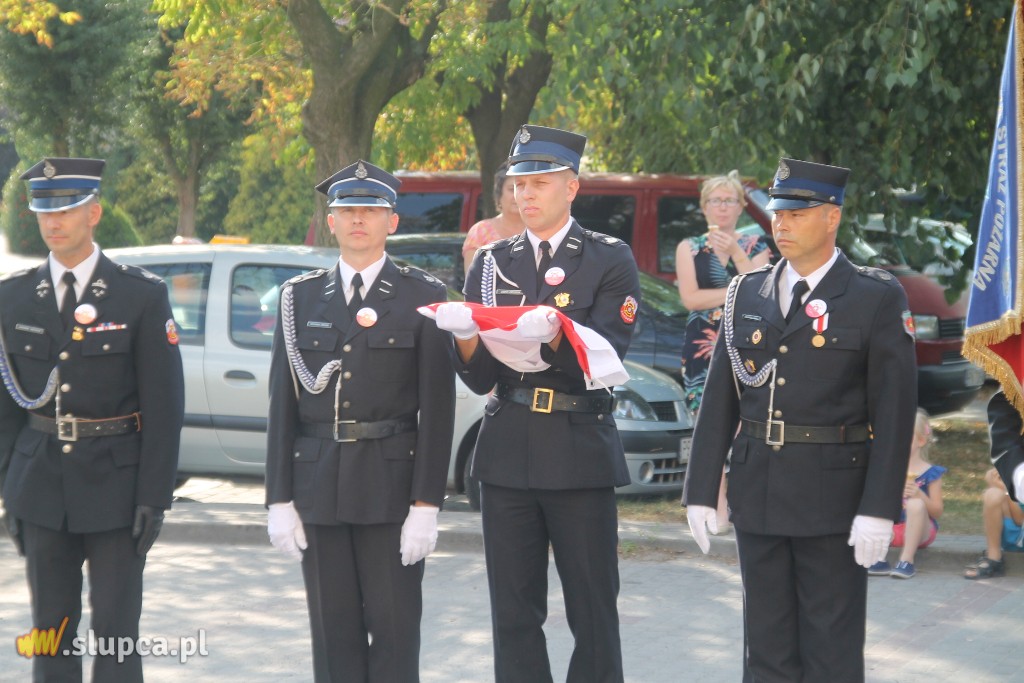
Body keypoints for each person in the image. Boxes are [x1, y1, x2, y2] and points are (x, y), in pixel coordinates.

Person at [682, 157, 917, 683]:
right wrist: (700, 489)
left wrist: (879, 507)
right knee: (765, 652)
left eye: (796, 214)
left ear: (832, 217)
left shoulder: (875, 296)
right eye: (777, 213)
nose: (781, 224)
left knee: (830, 653)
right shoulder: (747, 291)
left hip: (833, 499)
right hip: (760, 491)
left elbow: (895, 412)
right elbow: (721, 400)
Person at [433, 124, 641, 683]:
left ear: (571, 187)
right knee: (513, 613)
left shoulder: (608, 258)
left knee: (592, 610)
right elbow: (480, 378)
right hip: (508, 448)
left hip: (578, 448)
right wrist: (465, 338)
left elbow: (606, 357)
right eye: (519, 183)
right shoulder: (491, 261)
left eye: (539, 183)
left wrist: (551, 338)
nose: (525, 193)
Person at [264, 159, 455, 683]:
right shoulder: (299, 296)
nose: (357, 219)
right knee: (333, 639)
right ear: (330, 221)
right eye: (347, 210)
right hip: (319, 486)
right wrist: (279, 498)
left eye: (370, 210)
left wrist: (426, 505)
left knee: (395, 635)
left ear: (392, 222)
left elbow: (438, 409)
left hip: (391, 488)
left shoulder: (423, 295)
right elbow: (282, 403)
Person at [0, 157, 185, 682]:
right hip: (40, 486)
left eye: (66, 210)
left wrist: (154, 496)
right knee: (49, 632)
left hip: (117, 488)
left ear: (94, 213)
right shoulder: (13, 297)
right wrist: (9, 487)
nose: (53, 221)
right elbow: (6, 408)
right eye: (45, 211)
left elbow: (165, 406)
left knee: (117, 633)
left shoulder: (139, 294)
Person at [675, 170, 772, 531]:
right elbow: (690, 299)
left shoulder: (757, 245)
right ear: (704, 207)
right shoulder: (689, 247)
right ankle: (714, 506)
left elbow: (760, 292)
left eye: (729, 200)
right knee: (708, 425)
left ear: (741, 207)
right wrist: (735, 290)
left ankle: (742, 502)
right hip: (703, 345)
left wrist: (734, 253)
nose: (722, 207)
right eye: (715, 201)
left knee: (747, 423)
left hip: (747, 342)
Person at [868, 409, 945, 579]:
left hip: (921, 531)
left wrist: (920, 495)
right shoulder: (888, 470)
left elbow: (937, 512)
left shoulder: (931, 473)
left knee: (915, 504)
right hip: (893, 532)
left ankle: (906, 560)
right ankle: (878, 559)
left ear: (921, 440)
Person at [461, 160, 525, 275]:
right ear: (499, 194)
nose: (516, 195)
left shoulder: (543, 230)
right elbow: (472, 280)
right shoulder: (480, 231)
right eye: (511, 189)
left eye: (521, 188)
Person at [964, 467, 1024, 579]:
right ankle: (994, 559)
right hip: (1014, 538)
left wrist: (1006, 490)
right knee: (993, 493)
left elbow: (1020, 520)